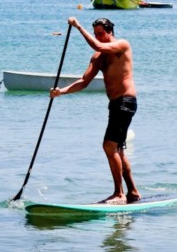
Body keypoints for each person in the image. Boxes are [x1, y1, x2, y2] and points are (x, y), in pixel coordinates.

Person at [50, 17, 141, 204]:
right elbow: (84, 82)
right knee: (117, 150)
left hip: (126, 101)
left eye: (101, 33)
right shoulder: (98, 58)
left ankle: (119, 194)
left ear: (110, 32)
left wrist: (78, 27)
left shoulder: (121, 45)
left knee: (109, 146)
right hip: (115, 104)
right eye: (96, 34)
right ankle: (132, 192)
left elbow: (99, 46)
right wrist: (61, 92)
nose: (98, 37)